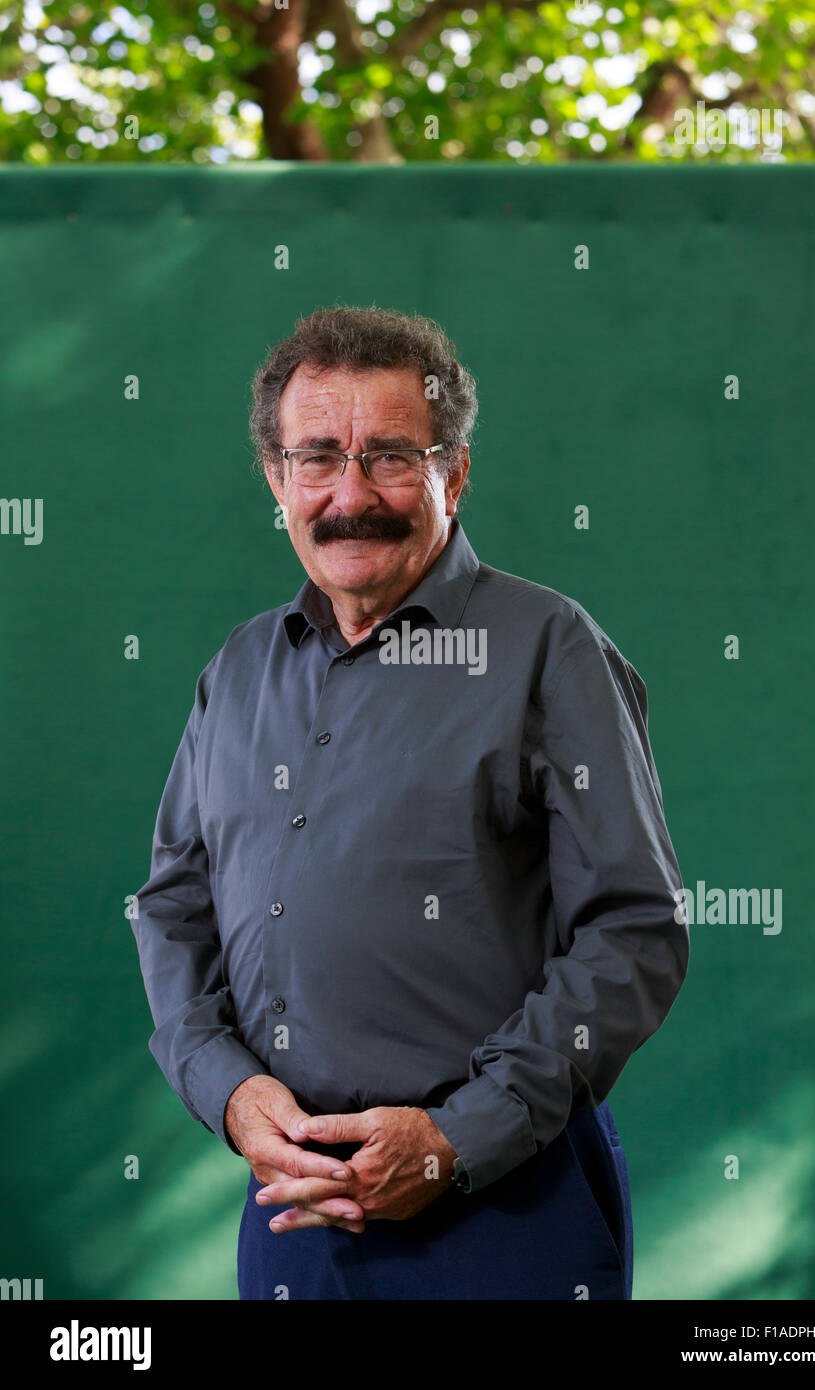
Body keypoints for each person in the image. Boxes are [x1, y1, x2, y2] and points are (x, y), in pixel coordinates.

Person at [131, 305, 689, 1301]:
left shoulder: (550, 648)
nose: (351, 495)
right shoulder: (239, 669)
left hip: (507, 1211)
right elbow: (173, 912)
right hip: (293, 1215)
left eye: (391, 456)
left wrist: (450, 1140)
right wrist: (230, 1096)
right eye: (316, 459)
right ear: (276, 480)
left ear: (454, 471)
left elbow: (634, 931)